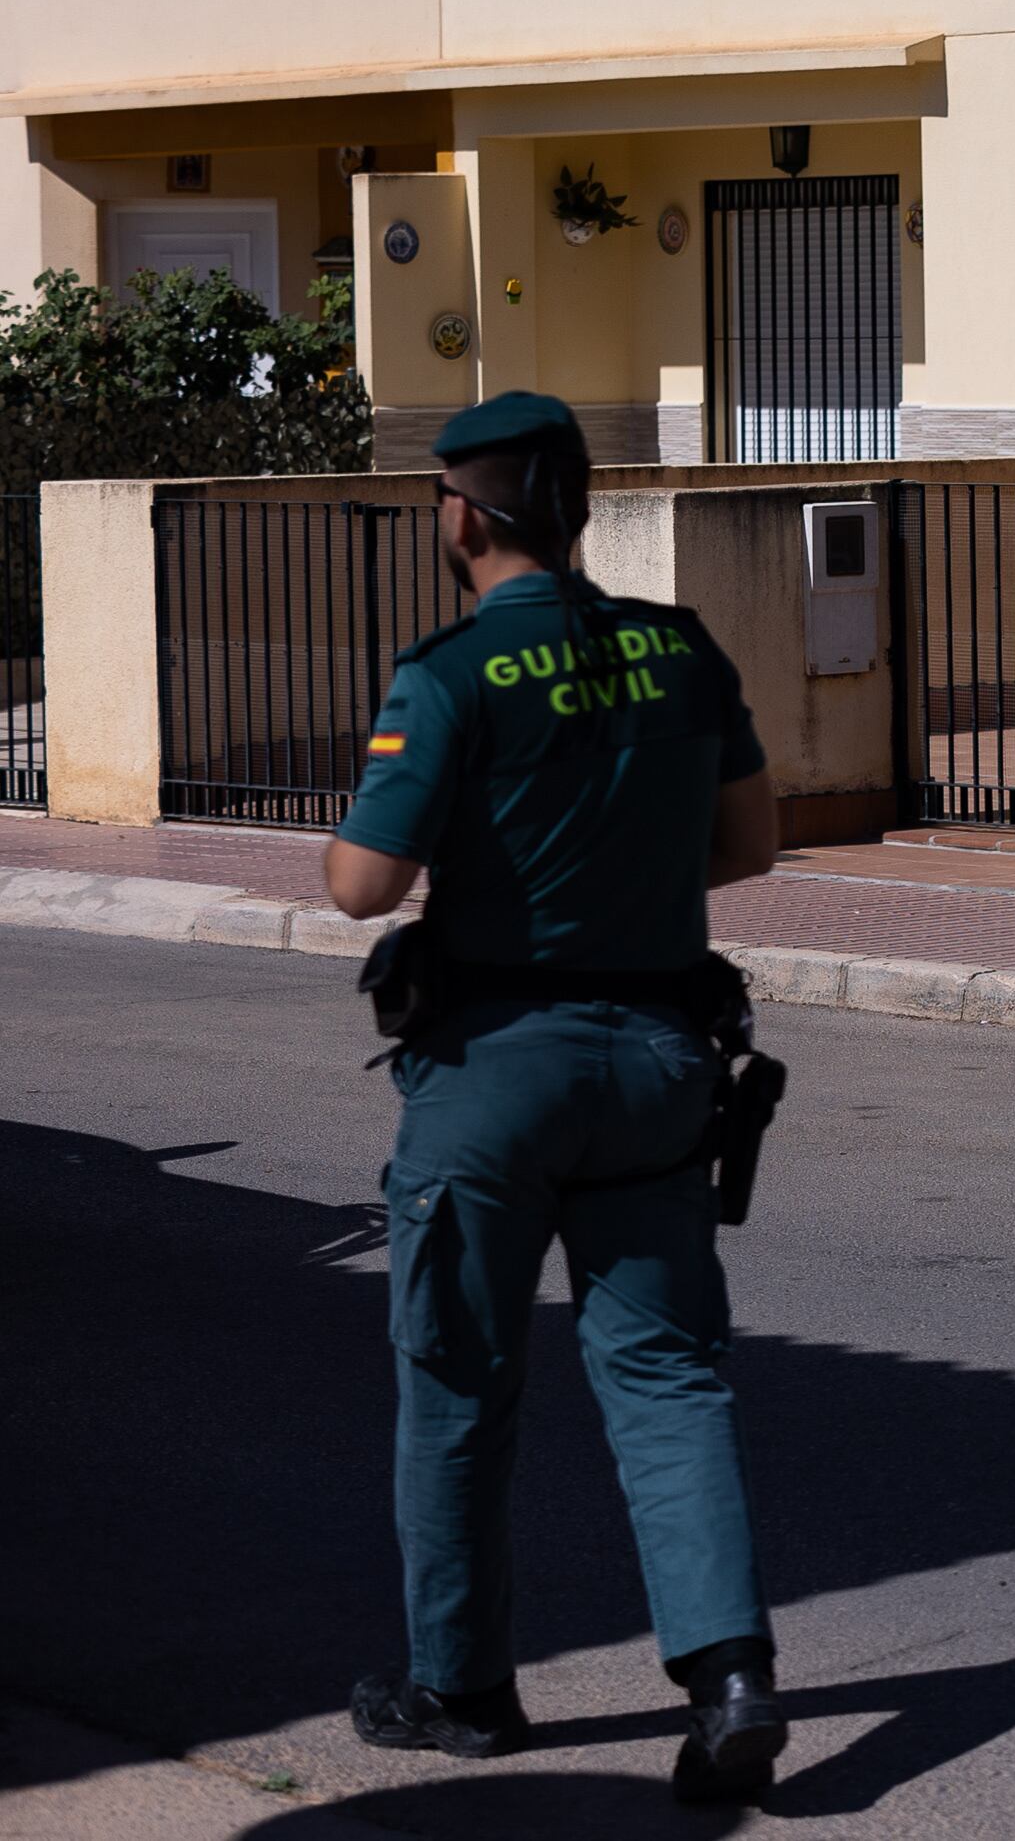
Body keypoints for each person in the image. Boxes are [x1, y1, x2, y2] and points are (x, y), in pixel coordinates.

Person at [319, 390, 792, 1804]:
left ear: (463, 513)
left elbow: (362, 884)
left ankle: (461, 1686)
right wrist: (618, 892)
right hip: (657, 1061)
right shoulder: (679, 647)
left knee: (459, 1377)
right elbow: (751, 843)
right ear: (575, 506)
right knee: (665, 1374)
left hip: (492, 1073)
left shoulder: (448, 673)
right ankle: (727, 1678)